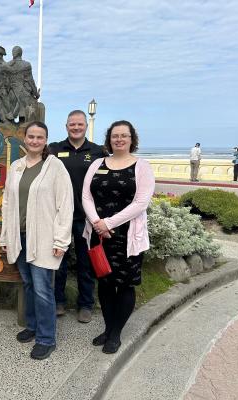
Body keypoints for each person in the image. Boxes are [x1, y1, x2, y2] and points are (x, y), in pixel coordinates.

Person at [0, 121, 74, 360]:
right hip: (19, 236)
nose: (34, 141)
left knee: (43, 288)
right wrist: (5, 235)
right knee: (29, 284)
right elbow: (7, 203)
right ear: (24, 138)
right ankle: (32, 326)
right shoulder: (17, 167)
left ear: (46, 140)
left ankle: (46, 338)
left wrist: (61, 240)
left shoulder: (55, 167)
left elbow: (66, 206)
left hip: (43, 237)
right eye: (31, 136)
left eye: (39, 137)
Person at [82, 120, 155, 354]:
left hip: (127, 237)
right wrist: (97, 223)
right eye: (115, 136)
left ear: (132, 139)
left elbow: (141, 202)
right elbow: (86, 197)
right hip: (99, 236)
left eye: (124, 135)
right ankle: (107, 328)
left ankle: (116, 333)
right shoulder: (97, 164)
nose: (119, 139)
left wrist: (109, 223)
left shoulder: (141, 166)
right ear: (109, 139)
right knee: (104, 284)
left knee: (124, 286)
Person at [49, 110, 106, 323]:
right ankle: (58, 302)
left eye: (79, 124)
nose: (76, 127)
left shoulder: (98, 151)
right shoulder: (54, 149)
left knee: (86, 264)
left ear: (85, 126)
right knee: (58, 262)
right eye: (72, 124)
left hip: (86, 219)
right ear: (66, 126)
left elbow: (103, 183)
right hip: (60, 217)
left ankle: (85, 305)